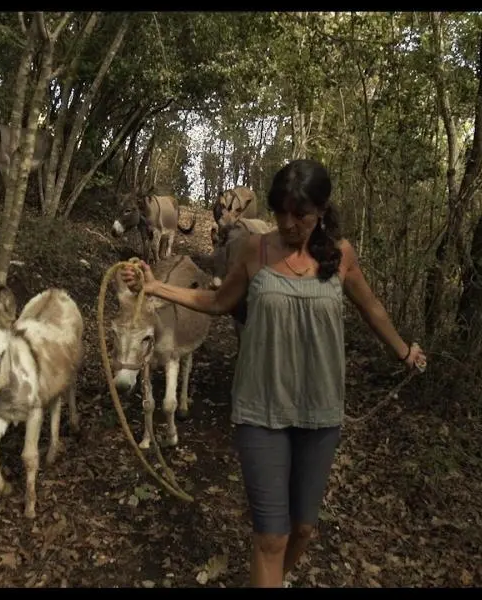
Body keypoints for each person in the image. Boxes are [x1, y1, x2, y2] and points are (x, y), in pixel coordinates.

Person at [119, 159, 427, 588]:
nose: (286, 223)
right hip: (261, 409)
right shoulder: (255, 251)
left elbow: (370, 306)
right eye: (279, 212)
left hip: (320, 412)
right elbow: (217, 302)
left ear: (321, 211)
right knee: (271, 537)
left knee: (303, 531)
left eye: (298, 214)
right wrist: (154, 287)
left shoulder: (340, 256)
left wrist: (404, 352)